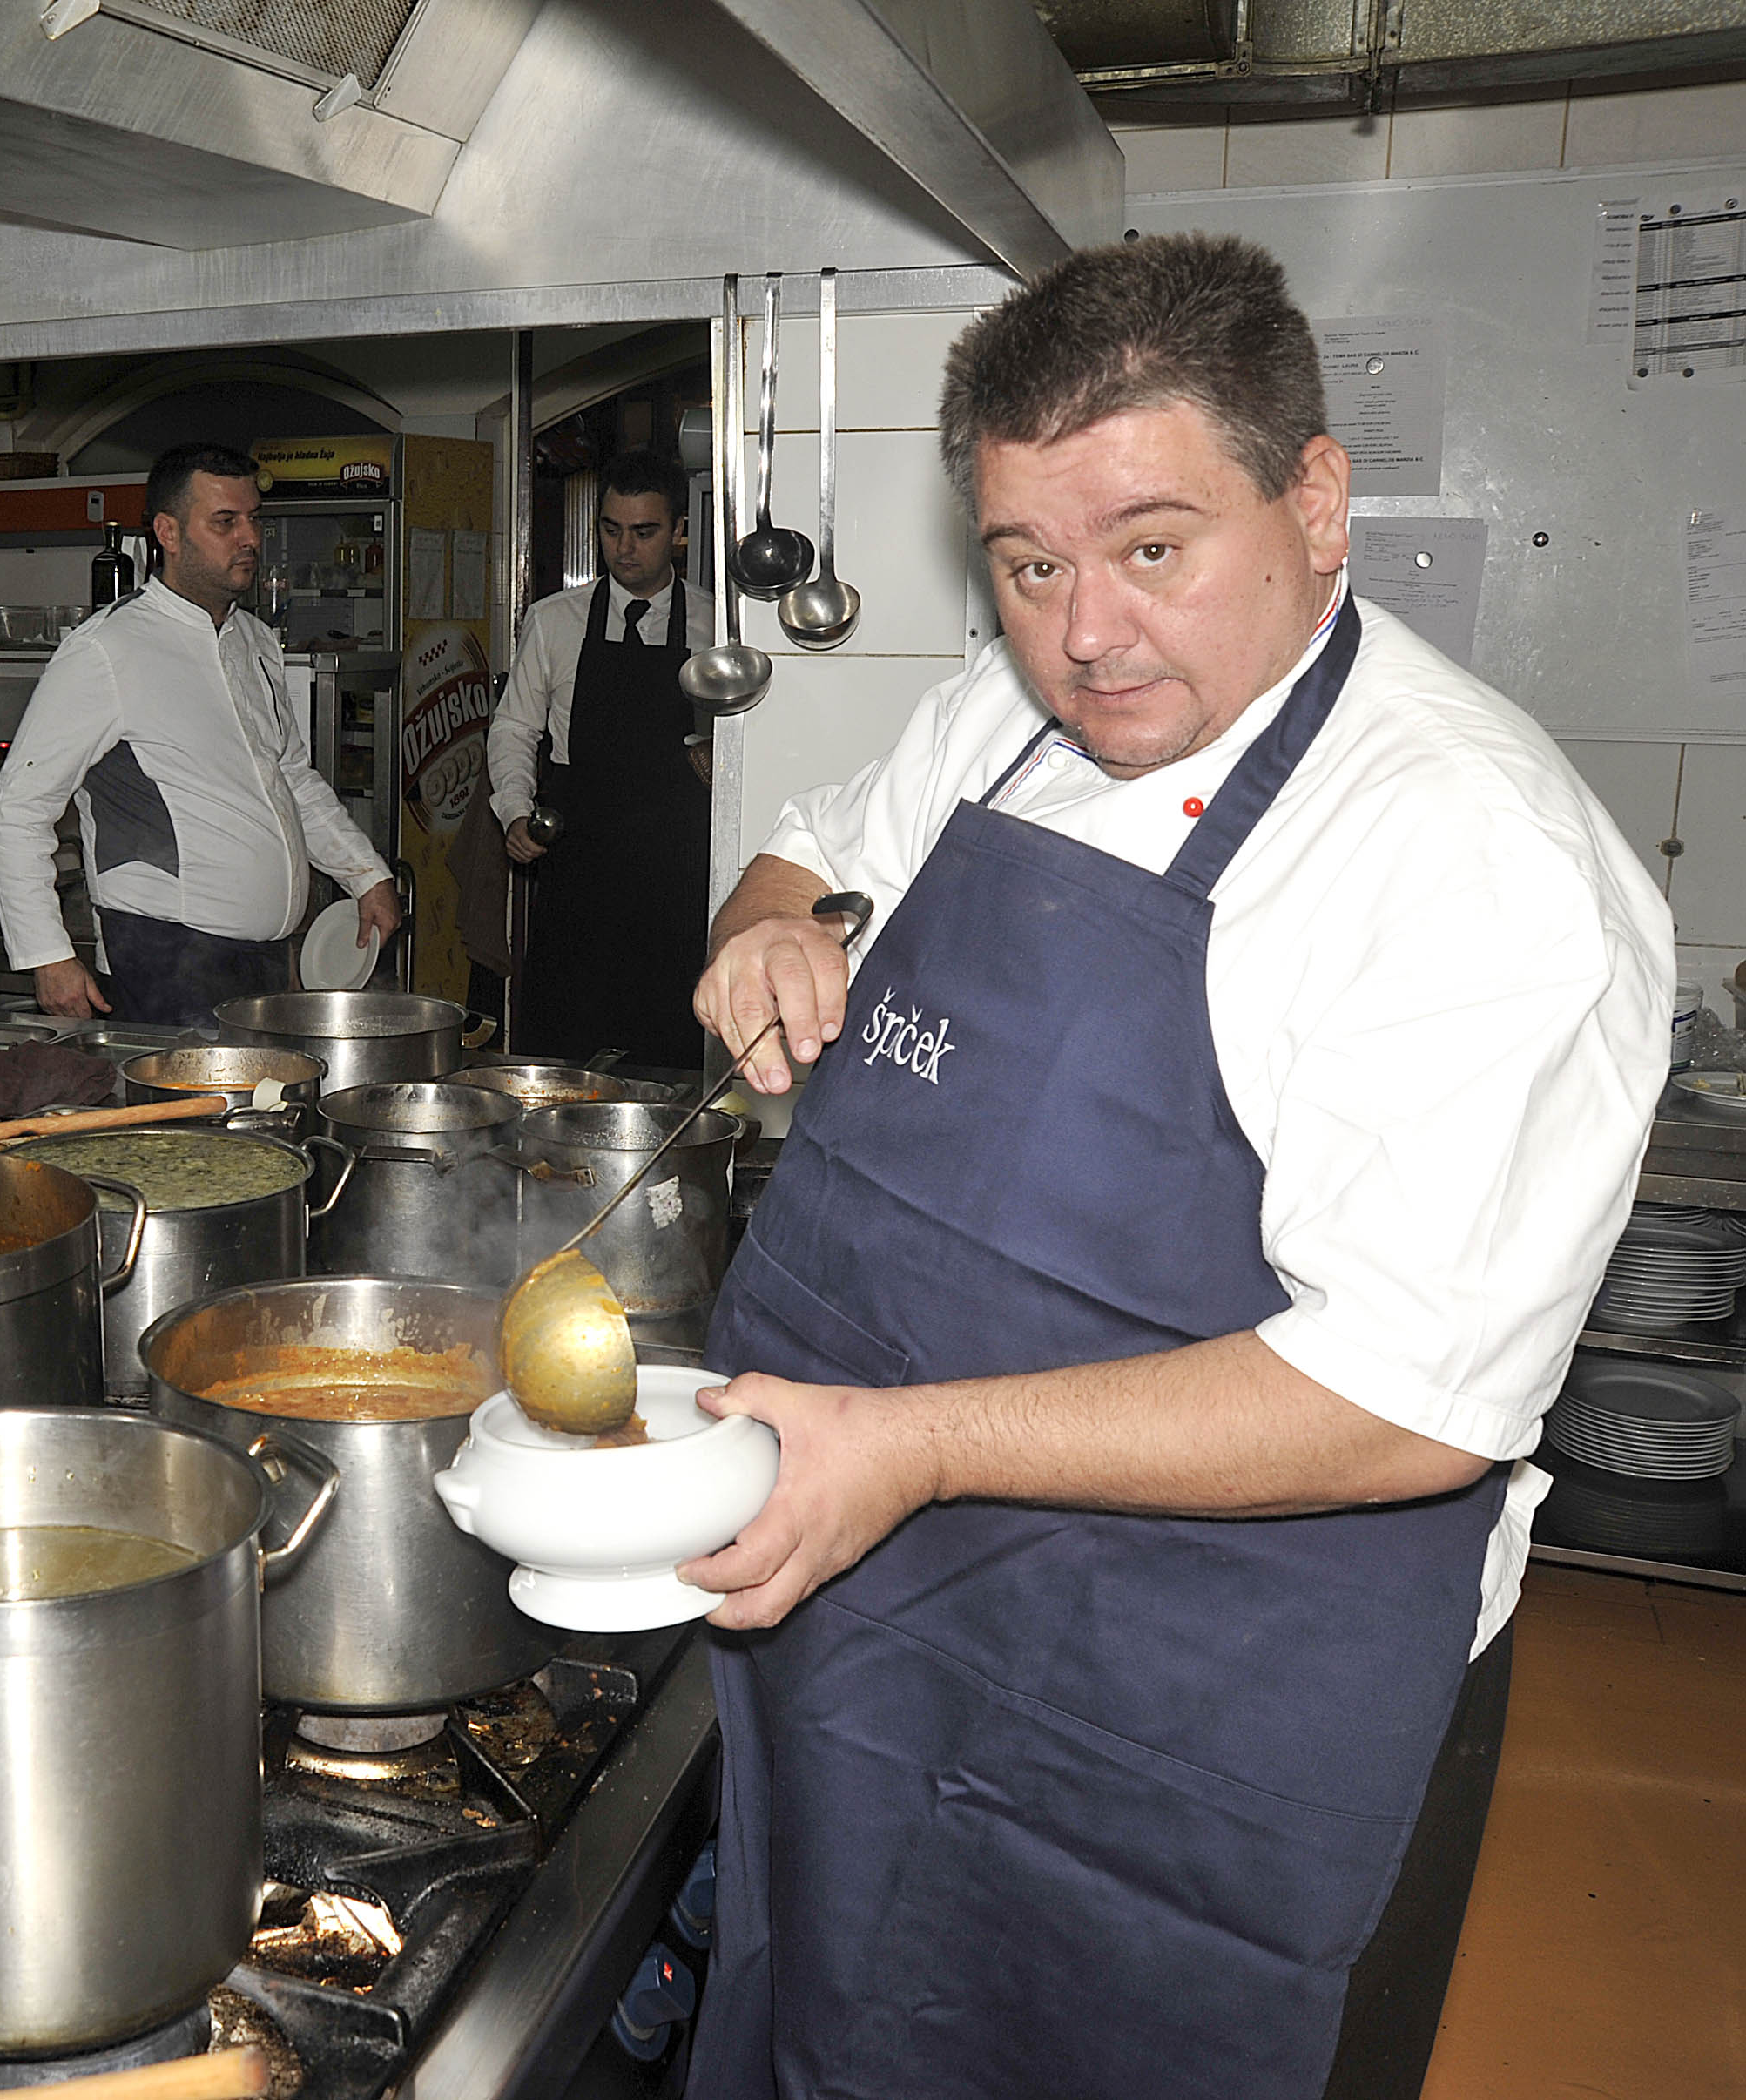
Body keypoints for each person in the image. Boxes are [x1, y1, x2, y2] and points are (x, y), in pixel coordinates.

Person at [680, 233, 1668, 2100]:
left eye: (1151, 548)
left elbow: (1401, 1398)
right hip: (886, 1614)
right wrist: (773, 925)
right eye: (1028, 563)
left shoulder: (1467, 858)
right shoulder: (1006, 717)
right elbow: (810, 845)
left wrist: (910, 1444)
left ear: (1313, 499)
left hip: (1187, 1711)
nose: (1084, 636)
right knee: (827, 2017)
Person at [0, 440, 401, 1028]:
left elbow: (289, 776)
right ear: (169, 532)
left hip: (262, 957)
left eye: (253, 520)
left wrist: (366, 874)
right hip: (162, 958)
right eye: (225, 522)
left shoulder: (254, 640)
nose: (251, 539)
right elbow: (20, 806)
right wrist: (48, 954)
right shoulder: (107, 649)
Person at [487, 449, 714, 1069]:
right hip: (578, 870)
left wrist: (720, 753)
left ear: (678, 530)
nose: (624, 548)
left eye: (643, 532)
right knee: (562, 1053)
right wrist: (512, 809)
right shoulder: (553, 621)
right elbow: (512, 727)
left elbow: (748, 737)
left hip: (675, 878)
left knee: (667, 1054)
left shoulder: (715, 626)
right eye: (610, 530)